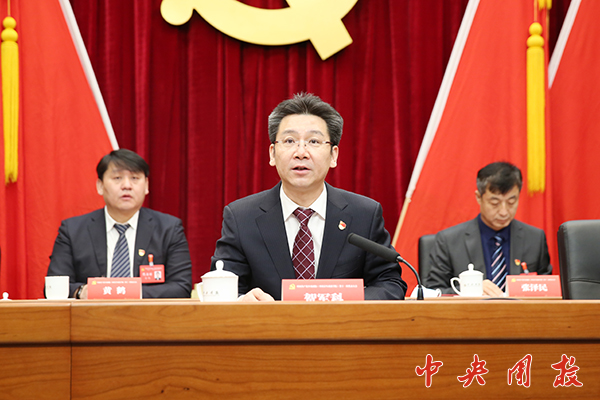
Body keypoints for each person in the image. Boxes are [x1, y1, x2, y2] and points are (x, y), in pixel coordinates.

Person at [211, 93, 407, 301]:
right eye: (289, 141)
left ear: (333, 155)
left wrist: (346, 305)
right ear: (272, 153)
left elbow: (390, 282)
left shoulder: (363, 215)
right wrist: (243, 301)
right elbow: (223, 289)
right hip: (269, 322)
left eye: (314, 141)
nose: (301, 153)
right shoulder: (241, 218)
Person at [46, 149, 192, 298]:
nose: (127, 185)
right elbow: (53, 286)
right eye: (117, 178)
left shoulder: (168, 229)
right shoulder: (72, 231)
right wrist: (82, 291)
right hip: (92, 312)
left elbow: (181, 287)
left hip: (148, 313)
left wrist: (124, 292)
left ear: (146, 185)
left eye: (134, 178)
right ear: (100, 185)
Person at [424, 161, 552, 296]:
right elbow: (432, 292)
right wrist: (470, 290)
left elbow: (549, 291)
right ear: (479, 197)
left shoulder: (535, 239)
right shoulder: (449, 241)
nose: (504, 212)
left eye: (511, 202)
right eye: (495, 203)